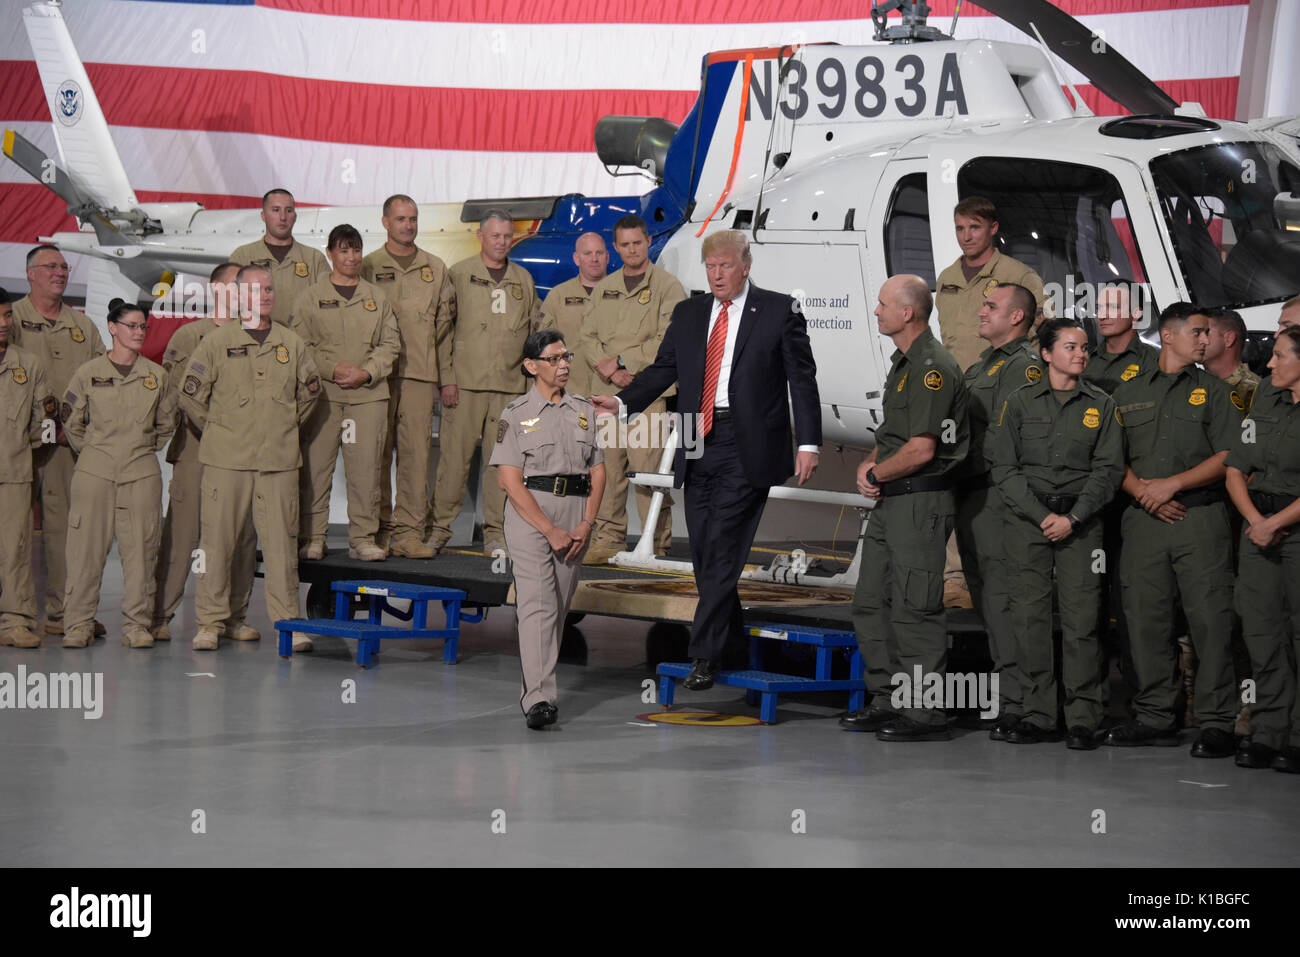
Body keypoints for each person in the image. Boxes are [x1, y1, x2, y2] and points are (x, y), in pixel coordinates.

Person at [591, 229, 820, 690]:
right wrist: (622, 403)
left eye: (725, 266)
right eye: (710, 267)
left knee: (724, 543)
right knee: (704, 548)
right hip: (696, 434)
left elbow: (802, 378)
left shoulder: (778, 310)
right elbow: (664, 370)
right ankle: (732, 645)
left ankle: (704, 654)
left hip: (747, 439)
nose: (716, 275)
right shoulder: (690, 313)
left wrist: (808, 443)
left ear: (746, 266)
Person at [1106, 303, 1241, 754]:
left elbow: (1229, 456)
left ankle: (1217, 720)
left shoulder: (1216, 392)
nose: (1206, 340)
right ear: (1167, 335)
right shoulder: (1126, 392)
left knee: (1211, 621)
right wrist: (1144, 492)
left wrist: (1172, 485)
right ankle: (1154, 715)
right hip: (1143, 520)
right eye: (1198, 332)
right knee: (1145, 620)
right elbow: (1109, 455)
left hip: (1200, 518)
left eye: (1207, 333)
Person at [841, 274, 969, 741]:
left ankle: (925, 711)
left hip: (919, 502)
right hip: (893, 502)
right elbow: (894, 437)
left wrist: (877, 474)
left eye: (881, 304)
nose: (876, 311)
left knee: (916, 608)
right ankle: (888, 698)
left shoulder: (933, 367)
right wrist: (870, 464)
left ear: (907, 312)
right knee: (871, 601)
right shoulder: (905, 364)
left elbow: (921, 450)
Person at [990, 319, 1124, 747]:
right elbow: (1004, 468)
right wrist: (1038, 514)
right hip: (1027, 523)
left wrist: (1074, 517)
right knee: (1029, 619)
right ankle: (1037, 715)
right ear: (1047, 354)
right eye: (1071, 346)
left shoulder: (1102, 405)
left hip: (1081, 526)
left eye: (1085, 347)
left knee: (1083, 620)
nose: (1081, 354)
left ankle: (1083, 717)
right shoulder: (1019, 402)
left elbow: (1109, 471)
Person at [180, 264, 322, 652]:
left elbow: (310, 394)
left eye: (270, 289)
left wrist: (282, 426)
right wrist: (220, 428)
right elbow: (190, 395)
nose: (265, 296)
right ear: (239, 296)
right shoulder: (215, 342)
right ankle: (210, 623)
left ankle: (288, 625)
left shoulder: (290, 344)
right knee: (217, 544)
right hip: (227, 461)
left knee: (280, 548)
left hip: (277, 462)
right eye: (256, 290)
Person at [490, 330, 606, 729]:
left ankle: (538, 686)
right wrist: (550, 530)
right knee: (537, 604)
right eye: (554, 358)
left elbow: (597, 468)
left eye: (567, 356)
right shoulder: (515, 413)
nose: (564, 365)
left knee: (557, 607)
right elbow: (510, 480)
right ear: (531, 365)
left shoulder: (583, 410)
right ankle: (538, 698)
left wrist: (586, 524)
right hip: (530, 514)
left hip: (575, 512)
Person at [152, 263, 258, 642]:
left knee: (242, 536)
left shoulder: (256, 336)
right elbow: (181, 394)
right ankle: (160, 615)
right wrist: (219, 428)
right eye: (233, 285)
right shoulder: (189, 335)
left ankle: (233, 617)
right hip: (196, 449)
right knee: (182, 534)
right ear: (215, 290)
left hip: (242, 455)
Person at [953, 282, 1042, 736]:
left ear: (1017, 318)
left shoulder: (1024, 367)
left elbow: (1005, 438)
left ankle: (1022, 703)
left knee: (1004, 601)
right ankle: (1011, 697)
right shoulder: (984, 364)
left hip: (996, 497)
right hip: (971, 495)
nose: (982, 311)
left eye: (992, 306)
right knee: (987, 599)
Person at [60, 300, 176, 648]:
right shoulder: (88, 372)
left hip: (140, 472)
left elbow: (166, 424)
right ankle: (78, 624)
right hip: (94, 472)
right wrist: (97, 451)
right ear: (112, 328)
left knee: (141, 553)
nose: (138, 332)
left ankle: (137, 626)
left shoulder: (156, 377)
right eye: (131, 326)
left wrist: (136, 448)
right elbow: (72, 421)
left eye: (143, 327)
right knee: (85, 552)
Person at [428, 210, 544, 556]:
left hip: (509, 389)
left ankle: (495, 532)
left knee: (502, 465)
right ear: (481, 236)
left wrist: (530, 388)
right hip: (465, 386)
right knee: (453, 462)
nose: (502, 242)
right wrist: (446, 379)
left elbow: (534, 334)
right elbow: (443, 332)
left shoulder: (523, 278)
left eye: (507, 236)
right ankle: (439, 529)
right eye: (495, 236)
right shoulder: (460, 274)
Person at [10, 244, 107, 638]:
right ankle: (11, 614)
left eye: (65, 267)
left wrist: (75, 427)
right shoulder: (9, 319)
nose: (61, 272)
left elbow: (101, 380)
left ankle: (62, 611)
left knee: (65, 529)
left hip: (64, 443)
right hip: (13, 443)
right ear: (30, 273)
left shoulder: (83, 327)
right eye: (51, 266)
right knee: (10, 530)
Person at [292, 224, 400, 561]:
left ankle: (362, 539)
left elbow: (390, 344)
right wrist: (331, 369)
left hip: (367, 398)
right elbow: (301, 345)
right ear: (329, 253)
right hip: (324, 396)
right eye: (343, 250)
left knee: (366, 471)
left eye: (355, 250)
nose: (351, 257)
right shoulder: (310, 297)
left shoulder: (376, 297)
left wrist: (366, 372)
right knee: (315, 468)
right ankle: (313, 538)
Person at [580, 215, 685, 564]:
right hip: (607, 396)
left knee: (646, 474)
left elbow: (667, 342)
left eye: (637, 243)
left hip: (649, 397)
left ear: (648, 240)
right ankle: (608, 540)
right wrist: (607, 367)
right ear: (616, 248)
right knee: (609, 474)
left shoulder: (668, 287)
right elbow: (587, 336)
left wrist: (624, 363)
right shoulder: (605, 287)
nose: (631, 250)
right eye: (624, 245)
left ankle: (656, 542)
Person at [361, 195, 455, 558]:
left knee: (416, 458)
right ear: (385, 222)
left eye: (413, 219)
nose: (408, 226)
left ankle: (409, 534)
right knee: (376, 456)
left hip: (418, 374)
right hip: (378, 377)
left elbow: (444, 330)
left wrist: (442, 377)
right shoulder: (368, 267)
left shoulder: (436, 267)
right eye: (400, 219)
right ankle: (379, 531)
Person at [1225, 326, 1300, 772]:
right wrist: (1256, 521)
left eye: (1279, 356)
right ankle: (1270, 730)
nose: (1269, 364)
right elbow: (1237, 465)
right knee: (1262, 631)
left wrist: (1274, 522)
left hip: (1292, 530)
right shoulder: (1267, 397)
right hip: (1259, 530)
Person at [0, 288, 55, 649]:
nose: (4, 324)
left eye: (7, 315)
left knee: (15, 550)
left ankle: (16, 620)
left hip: (13, 473)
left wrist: (24, 451)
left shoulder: (28, 365)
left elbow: (44, 422)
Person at [935, 197, 1046, 373]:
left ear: (993, 228)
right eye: (960, 228)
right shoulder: (947, 279)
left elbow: (1046, 330)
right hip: (960, 386)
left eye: (975, 227)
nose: (966, 237)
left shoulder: (1019, 275)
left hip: (1005, 381)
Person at [230, 189, 330, 327]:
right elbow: (230, 307)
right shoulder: (243, 256)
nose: (283, 217)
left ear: (295, 216)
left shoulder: (314, 259)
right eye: (276, 210)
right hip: (255, 343)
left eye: (288, 211)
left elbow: (329, 309)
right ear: (263, 215)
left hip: (302, 344)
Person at [540, 232, 608, 400]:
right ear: (577, 258)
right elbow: (541, 348)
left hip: (611, 394)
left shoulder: (623, 295)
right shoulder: (558, 296)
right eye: (587, 254)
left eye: (599, 253)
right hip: (569, 393)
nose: (594, 259)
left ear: (607, 257)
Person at [1081, 281, 1159, 395]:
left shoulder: (1154, 363)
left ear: (1136, 313)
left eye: (1113, 307)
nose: (1102, 316)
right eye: (1099, 308)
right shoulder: (1084, 363)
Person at [1202, 305, 1259, 412]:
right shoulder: (1199, 384)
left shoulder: (1252, 392)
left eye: (1205, 332)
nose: (1199, 339)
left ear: (1228, 339)